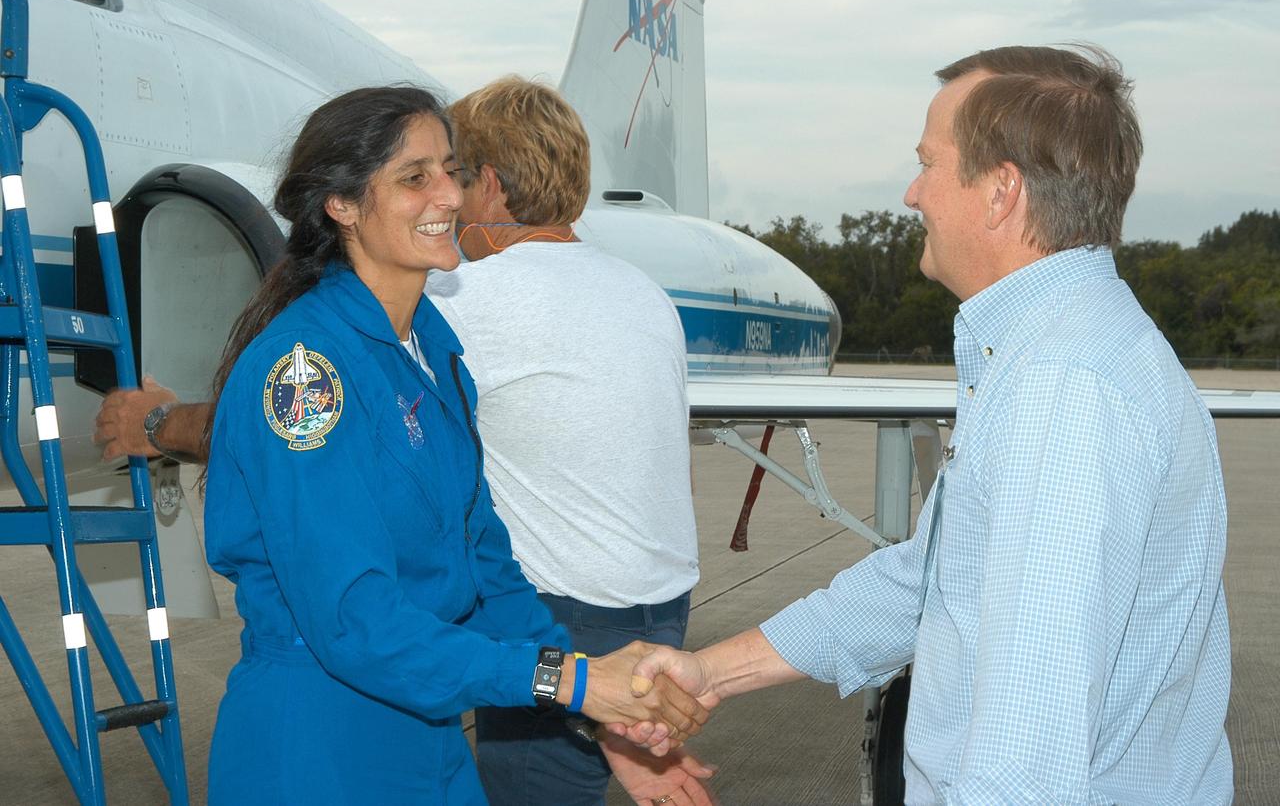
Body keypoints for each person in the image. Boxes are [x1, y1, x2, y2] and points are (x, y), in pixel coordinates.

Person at [626, 45, 1233, 804]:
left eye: (930, 164)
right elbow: (931, 582)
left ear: (1000, 191)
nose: (913, 193)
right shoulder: (1055, 353)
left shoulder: (1063, 393)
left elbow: (1024, 760)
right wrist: (712, 670)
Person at [95, 77, 709, 805]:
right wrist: (571, 679)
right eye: (414, 178)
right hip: (321, 746)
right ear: (343, 204)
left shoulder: (434, 352)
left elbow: (488, 571)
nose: (448, 196)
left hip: (429, 734)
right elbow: (354, 619)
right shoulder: (305, 376)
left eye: (450, 170)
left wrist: (597, 701)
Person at [428, 76, 702, 805]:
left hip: (561, 616)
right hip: (662, 607)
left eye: (453, 178)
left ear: (487, 186)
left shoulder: (467, 297)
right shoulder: (643, 292)